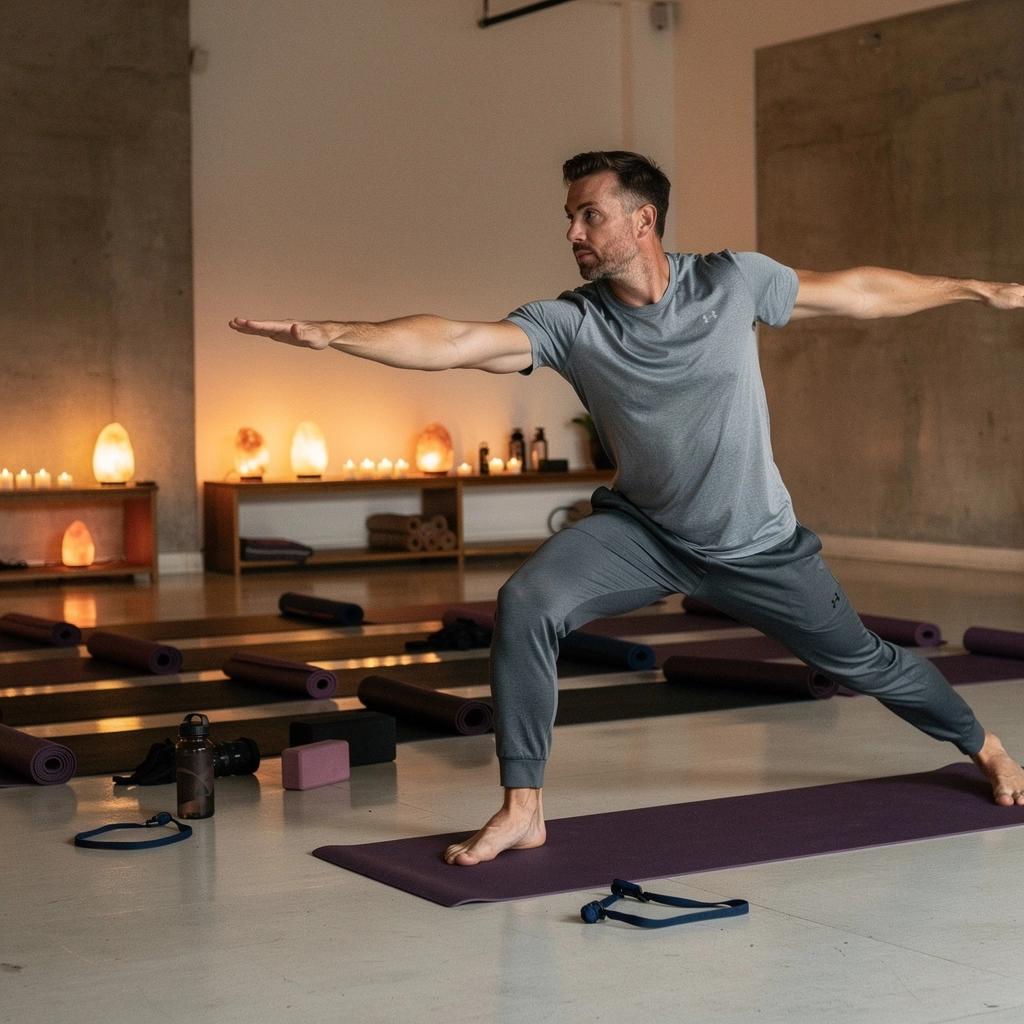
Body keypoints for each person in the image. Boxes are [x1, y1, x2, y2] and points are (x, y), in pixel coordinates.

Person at [230, 150, 1024, 866]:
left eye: (589, 215)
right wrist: (340, 333)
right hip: (644, 532)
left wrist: (975, 288)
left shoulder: (731, 281)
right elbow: (455, 342)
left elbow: (857, 292)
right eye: (569, 217)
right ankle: (523, 806)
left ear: (643, 220)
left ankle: (983, 746)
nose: (572, 232)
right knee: (527, 601)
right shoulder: (573, 322)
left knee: (866, 662)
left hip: (758, 544)